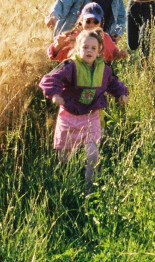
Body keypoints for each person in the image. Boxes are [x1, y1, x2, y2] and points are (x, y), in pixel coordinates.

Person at [40, 28, 129, 183]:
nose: (89, 51)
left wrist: (122, 94)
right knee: (64, 158)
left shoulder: (104, 69)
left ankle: (89, 187)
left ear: (100, 50)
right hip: (68, 117)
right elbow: (48, 79)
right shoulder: (70, 66)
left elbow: (114, 83)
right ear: (77, 48)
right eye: (85, 47)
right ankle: (66, 185)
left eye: (93, 48)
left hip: (90, 116)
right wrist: (55, 94)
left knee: (93, 154)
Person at [47, 3, 129, 64]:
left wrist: (119, 54)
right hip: (74, 77)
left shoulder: (105, 38)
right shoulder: (72, 37)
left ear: (101, 23)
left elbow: (112, 53)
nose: (91, 25)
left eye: (96, 22)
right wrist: (58, 45)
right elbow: (54, 55)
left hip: (96, 78)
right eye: (88, 21)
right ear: (81, 20)